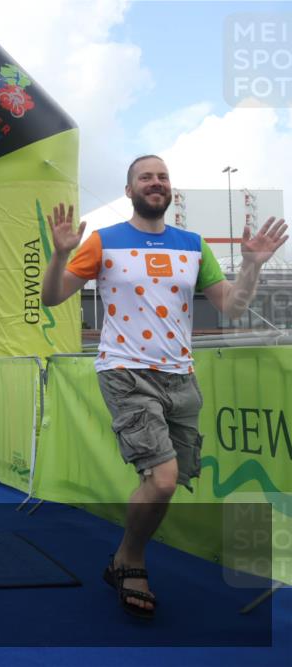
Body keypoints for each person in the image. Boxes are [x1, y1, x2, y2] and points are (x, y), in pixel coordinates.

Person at [40, 155, 287, 618]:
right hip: (125, 371)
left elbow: (232, 307)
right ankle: (131, 559)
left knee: (165, 483)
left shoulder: (193, 245)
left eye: (163, 177)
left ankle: (122, 557)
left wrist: (252, 265)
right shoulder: (103, 241)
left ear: (169, 189)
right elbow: (52, 297)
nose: (156, 183)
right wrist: (59, 255)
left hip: (181, 377)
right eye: (145, 177)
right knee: (164, 478)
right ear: (130, 189)